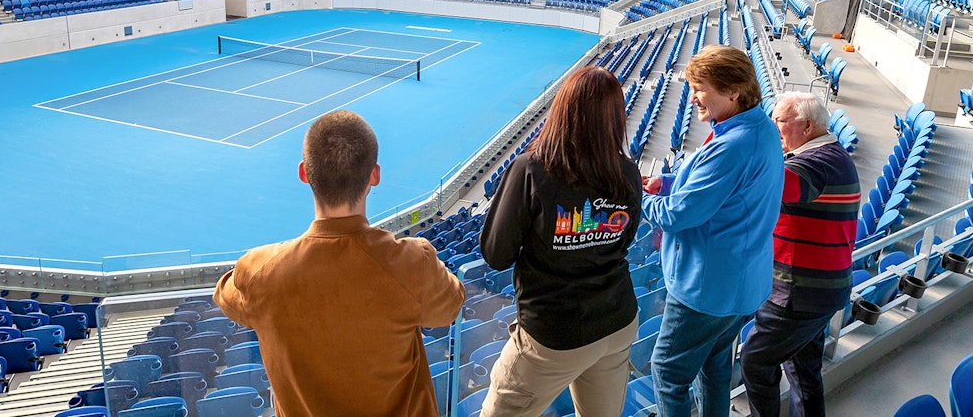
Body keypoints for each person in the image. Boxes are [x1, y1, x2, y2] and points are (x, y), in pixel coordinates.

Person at [213, 110, 465, 417]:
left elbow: (225, 293)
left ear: (305, 173)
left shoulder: (261, 272)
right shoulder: (414, 263)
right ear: (375, 175)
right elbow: (450, 305)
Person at [479, 66, 643, 417]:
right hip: (617, 322)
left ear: (563, 111)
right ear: (615, 118)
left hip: (554, 334)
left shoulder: (532, 170)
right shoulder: (628, 173)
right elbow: (624, 240)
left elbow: (496, 254)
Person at [641, 45, 784, 417]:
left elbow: (675, 217)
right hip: (741, 286)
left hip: (708, 290)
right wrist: (668, 181)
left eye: (701, 87)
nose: (693, 96)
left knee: (668, 371)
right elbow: (724, 189)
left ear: (733, 90)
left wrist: (634, 197)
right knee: (715, 368)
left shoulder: (732, 146)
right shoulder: (760, 127)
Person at [741, 92, 861, 417]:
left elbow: (765, 185)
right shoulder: (833, 156)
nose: (773, 127)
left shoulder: (815, 164)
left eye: (778, 121)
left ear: (806, 126)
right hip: (822, 291)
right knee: (803, 372)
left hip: (798, 296)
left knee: (754, 360)